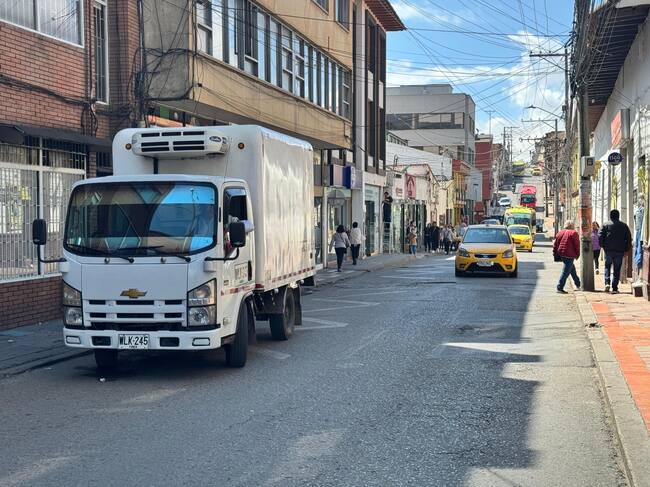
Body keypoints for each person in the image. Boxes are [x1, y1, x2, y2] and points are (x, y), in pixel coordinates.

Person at [599, 209, 632, 294]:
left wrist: (602, 245)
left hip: (608, 250)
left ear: (610, 216)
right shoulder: (624, 226)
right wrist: (626, 249)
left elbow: (600, 235)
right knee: (617, 269)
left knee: (607, 266)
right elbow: (628, 238)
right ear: (618, 216)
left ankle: (607, 283)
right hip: (620, 251)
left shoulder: (605, 225)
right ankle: (614, 287)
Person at [553, 220, 581, 294]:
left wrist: (555, 254)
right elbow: (577, 245)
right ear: (572, 226)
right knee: (566, 271)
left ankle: (578, 284)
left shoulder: (560, 233)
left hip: (561, 253)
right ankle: (560, 287)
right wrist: (577, 254)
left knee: (572, 269)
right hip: (569, 254)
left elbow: (555, 245)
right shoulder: (574, 233)